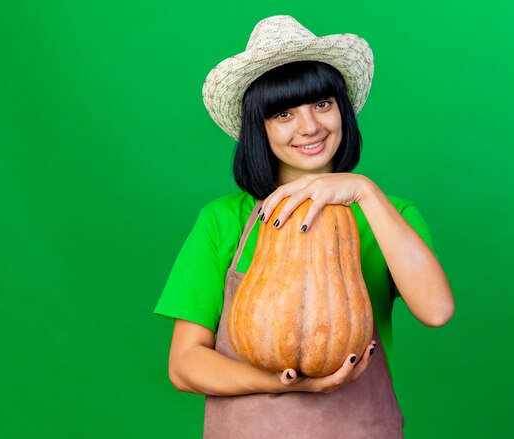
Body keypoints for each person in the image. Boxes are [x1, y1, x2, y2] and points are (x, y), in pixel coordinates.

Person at [154, 15, 454, 438]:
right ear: (259, 128)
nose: (310, 127)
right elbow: (184, 365)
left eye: (322, 103)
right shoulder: (223, 219)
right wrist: (282, 382)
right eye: (283, 113)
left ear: (342, 110)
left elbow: (436, 310)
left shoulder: (390, 213)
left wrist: (364, 190)